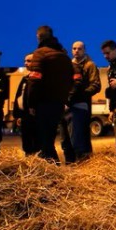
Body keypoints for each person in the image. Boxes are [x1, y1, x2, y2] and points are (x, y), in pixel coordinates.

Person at [27, 26, 74, 164]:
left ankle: (53, 169)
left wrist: (31, 103)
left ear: (39, 37)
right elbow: (70, 80)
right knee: (50, 137)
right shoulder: (64, 56)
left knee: (44, 140)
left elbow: (34, 80)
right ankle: (54, 167)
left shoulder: (40, 53)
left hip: (43, 103)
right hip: (58, 103)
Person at [69, 41, 101, 161]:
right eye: (74, 48)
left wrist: (82, 94)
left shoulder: (90, 65)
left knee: (81, 135)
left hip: (83, 104)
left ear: (84, 50)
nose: (76, 51)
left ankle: (85, 161)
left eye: (79, 49)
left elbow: (96, 85)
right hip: (69, 104)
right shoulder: (69, 65)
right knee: (69, 138)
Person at [12, 54, 39, 155]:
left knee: (36, 142)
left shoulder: (39, 78)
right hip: (24, 116)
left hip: (34, 115)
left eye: (29, 61)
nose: (25, 63)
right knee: (26, 142)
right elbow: (18, 96)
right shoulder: (25, 78)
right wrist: (17, 115)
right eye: (25, 61)